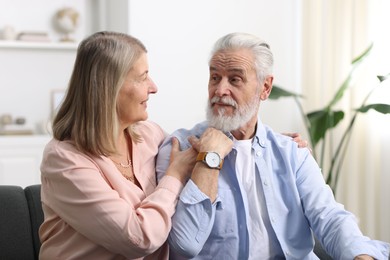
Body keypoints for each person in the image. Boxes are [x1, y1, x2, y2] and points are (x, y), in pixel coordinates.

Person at [156, 32, 390, 259]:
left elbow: (327, 215)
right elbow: (184, 244)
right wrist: (209, 158)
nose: (219, 90)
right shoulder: (179, 148)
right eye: (215, 77)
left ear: (265, 87)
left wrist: (360, 255)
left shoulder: (291, 152)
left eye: (235, 79)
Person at [39, 31, 197, 259]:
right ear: (109, 87)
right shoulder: (64, 160)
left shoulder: (150, 135)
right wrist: (175, 175)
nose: (153, 88)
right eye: (143, 77)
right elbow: (139, 239)